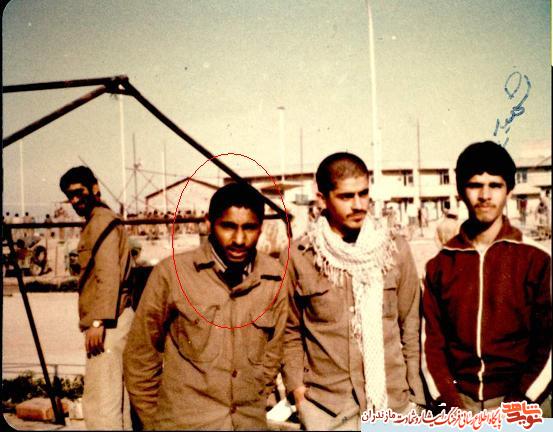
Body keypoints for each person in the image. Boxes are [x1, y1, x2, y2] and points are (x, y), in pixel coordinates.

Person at [123, 182, 288, 430]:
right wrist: (155, 421)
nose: (239, 239)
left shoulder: (274, 278)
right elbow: (140, 356)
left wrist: (250, 400)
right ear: (208, 223)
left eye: (249, 228)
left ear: (261, 228)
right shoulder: (172, 274)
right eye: (228, 227)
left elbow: (273, 354)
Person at [281, 152, 425, 430]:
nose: (358, 205)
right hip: (328, 410)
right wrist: (297, 392)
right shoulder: (300, 255)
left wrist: (415, 397)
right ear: (322, 198)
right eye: (346, 196)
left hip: (394, 405)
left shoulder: (394, 249)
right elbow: (290, 331)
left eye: (363, 194)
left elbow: (410, 326)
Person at [422, 141, 551, 415]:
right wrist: (450, 404)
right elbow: (431, 345)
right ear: (460, 191)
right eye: (474, 185)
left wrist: (519, 403)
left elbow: (547, 344)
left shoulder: (537, 260)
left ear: (509, 191)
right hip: (459, 403)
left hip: (524, 400)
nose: (484, 195)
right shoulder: (439, 265)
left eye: (495, 185)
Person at [59, 166, 134, 430]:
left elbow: (108, 274)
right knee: (116, 400)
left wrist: (97, 322)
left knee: (102, 403)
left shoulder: (101, 222)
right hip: (115, 318)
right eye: (70, 196)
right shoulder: (98, 220)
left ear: (95, 188)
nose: (75, 200)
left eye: (79, 192)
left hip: (109, 322)